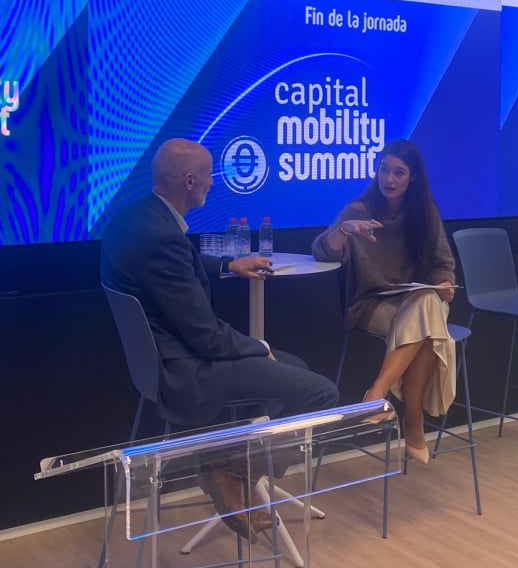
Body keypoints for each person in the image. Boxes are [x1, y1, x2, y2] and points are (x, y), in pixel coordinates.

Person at [101, 138, 339, 537]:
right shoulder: (162, 239)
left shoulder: (136, 217)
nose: (213, 183)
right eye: (209, 176)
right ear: (190, 181)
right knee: (322, 395)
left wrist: (229, 264)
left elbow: (178, 264)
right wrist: (260, 348)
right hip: (186, 371)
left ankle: (232, 463)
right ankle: (230, 470)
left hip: (160, 362)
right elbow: (208, 338)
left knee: (293, 370)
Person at [312, 138, 456, 465]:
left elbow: (442, 263)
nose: (389, 179)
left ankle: (378, 393)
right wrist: (344, 231)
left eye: (398, 172)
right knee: (430, 325)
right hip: (371, 305)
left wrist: (444, 284)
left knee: (427, 303)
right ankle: (412, 418)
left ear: (413, 177)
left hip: (416, 301)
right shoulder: (359, 211)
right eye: (384, 170)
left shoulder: (424, 212)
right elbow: (322, 251)